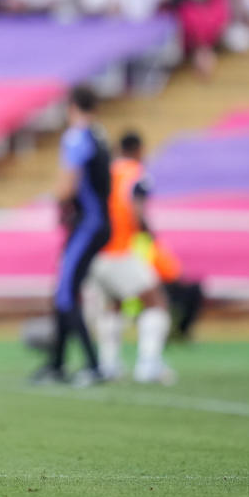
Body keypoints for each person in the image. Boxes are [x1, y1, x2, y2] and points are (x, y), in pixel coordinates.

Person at [32, 86, 110, 386]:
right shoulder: (99, 134)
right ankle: (58, 363)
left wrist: (52, 197)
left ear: (71, 107)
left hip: (88, 224)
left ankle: (92, 365)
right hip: (96, 222)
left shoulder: (76, 137)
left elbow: (68, 187)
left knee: (66, 293)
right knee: (64, 291)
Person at [88, 132, 175, 384]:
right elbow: (136, 209)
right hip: (119, 249)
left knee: (113, 304)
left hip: (95, 251)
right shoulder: (137, 173)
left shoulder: (106, 170)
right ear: (138, 149)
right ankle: (149, 363)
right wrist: (149, 235)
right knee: (156, 301)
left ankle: (109, 363)